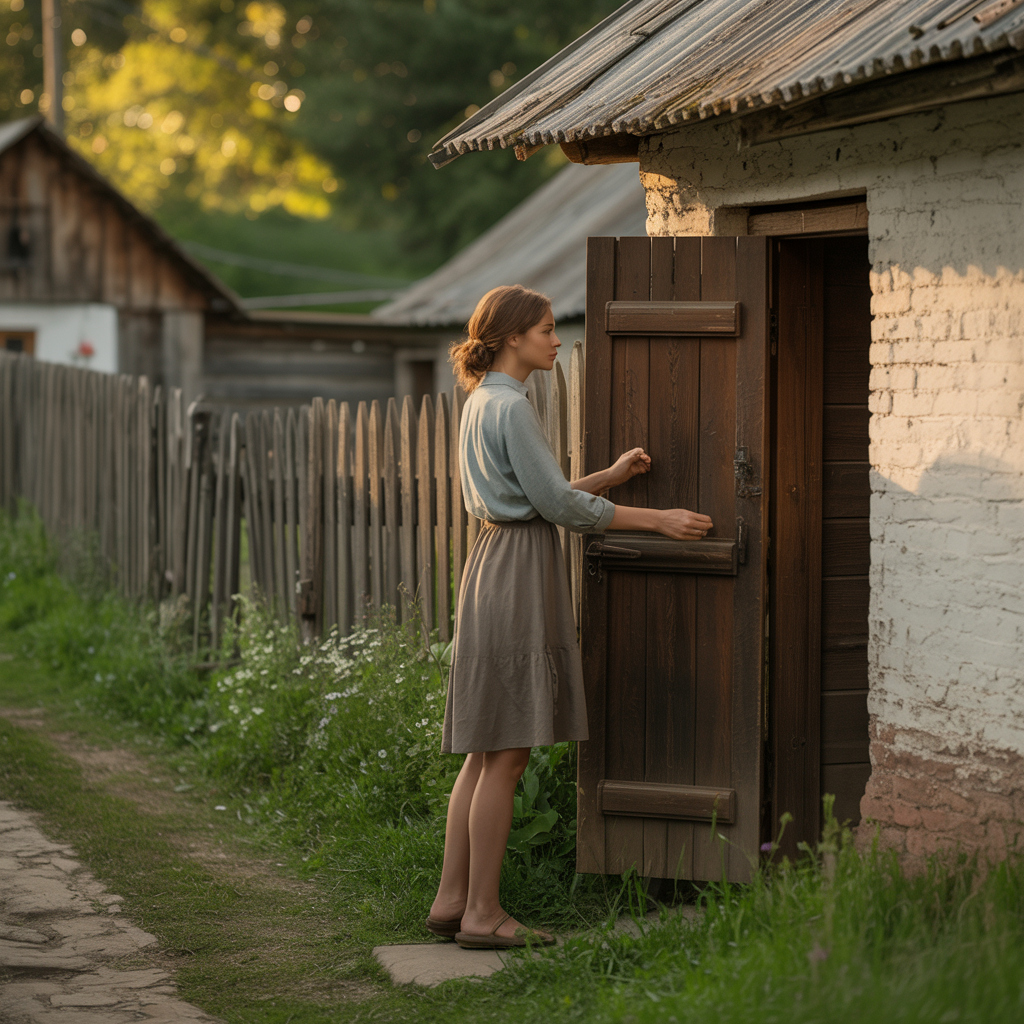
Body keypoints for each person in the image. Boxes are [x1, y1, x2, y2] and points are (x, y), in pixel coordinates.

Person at [427, 284, 713, 950]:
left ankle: (451, 903)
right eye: (548, 330)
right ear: (511, 339)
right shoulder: (514, 408)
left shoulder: (482, 404)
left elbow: (536, 498)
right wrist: (659, 519)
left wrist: (608, 479)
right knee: (507, 755)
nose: (557, 340)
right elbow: (554, 509)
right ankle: (484, 915)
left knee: (484, 753)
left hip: (493, 563)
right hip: (519, 572)